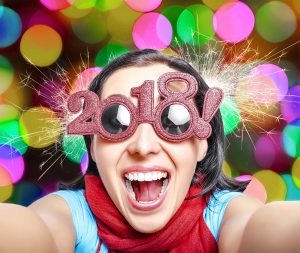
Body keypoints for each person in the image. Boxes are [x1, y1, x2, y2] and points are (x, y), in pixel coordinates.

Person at [0, 49, 299, 253]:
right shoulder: (72, 216)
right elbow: (33, 232)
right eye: (114, 122)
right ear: (93, 147)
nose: (143, 146)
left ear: (201, 144)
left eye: (173, 121)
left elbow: (264, 231)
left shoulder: (223, 216)